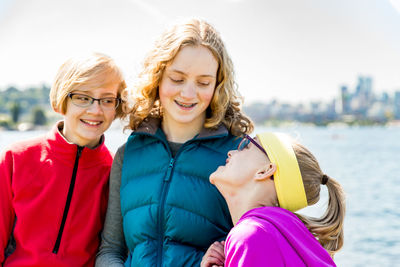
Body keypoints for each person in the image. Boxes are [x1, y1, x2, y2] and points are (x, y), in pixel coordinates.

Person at [96, 18, 253, 266]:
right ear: (158, 77)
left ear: (218, 85)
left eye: (203, 83)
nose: (188, 94)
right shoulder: (128, 155)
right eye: (177, 79)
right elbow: (111, 250)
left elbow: (258, 249)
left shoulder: (241, 155)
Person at [0, 52, 126, 267]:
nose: (95, 110)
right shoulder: (15, 159)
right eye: (83, 98)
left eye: (106, 100)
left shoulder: (116, 172)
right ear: (61, 101)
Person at [202, 132, 345, 267]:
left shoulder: (251, 235)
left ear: (265, 171)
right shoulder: (277, 233)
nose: (231, 152)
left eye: (246, 147)